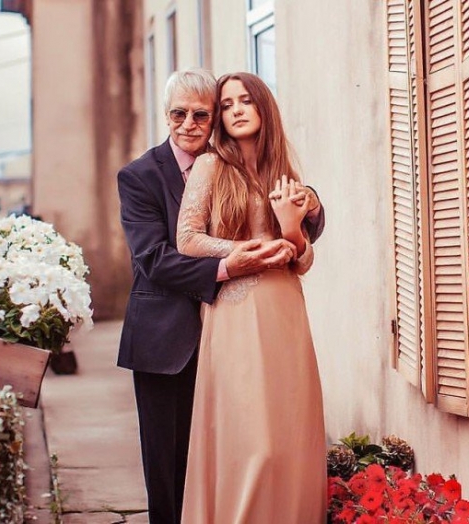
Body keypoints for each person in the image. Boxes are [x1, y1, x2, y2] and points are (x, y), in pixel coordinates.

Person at [116, 69, 325, 524]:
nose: (189, 124)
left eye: (201, 114)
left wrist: (305, 208)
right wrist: (233, 263)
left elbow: (301, 228)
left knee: (252, 443)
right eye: (179, 114)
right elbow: (154, 258)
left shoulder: (258, 164)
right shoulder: (140, 176)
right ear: (166, 116)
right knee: (170, 468)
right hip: (169, 336)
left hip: (251, 323)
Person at [177, 72, 327, 523]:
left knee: (289, 435)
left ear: (264, 107)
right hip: (236, 310)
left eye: (245, 100)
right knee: (252, 440)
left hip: (285, 307)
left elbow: (301, 259)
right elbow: (187, 239)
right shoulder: (210, 166)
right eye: (226, 105)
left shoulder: (284, 175)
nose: (236, 110)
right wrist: (244, 251)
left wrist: (291, 228)